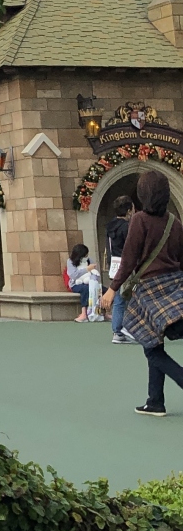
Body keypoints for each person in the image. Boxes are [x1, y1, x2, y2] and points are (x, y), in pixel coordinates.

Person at [98, 170, 183, 416]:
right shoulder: (175, 223)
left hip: (150, 290)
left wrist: (112, 290)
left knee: (150, 347)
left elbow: (129, 259)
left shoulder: (140, 220)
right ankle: (155, 401)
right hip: (175, 288)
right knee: (152, 341)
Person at [107, 196, 135, 343]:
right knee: (129, 296)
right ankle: (123, 329)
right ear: (129, 210)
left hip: (114, 265)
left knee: (119, 298)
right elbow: (131, 248)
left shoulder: (110, 226)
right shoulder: (127, 227)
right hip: (125, 265)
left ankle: (118, 330)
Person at [66, 243, 101, 322]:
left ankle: (102, 312)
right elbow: (74, 275)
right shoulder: (70, 261)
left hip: (90, 282)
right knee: (85, 289)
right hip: (76, 284)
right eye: (85, 255)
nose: (86, 257)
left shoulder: (89, 260)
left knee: (102, 289)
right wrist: (87, 269)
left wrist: (93, 280)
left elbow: (95, 272)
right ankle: (84, 313)